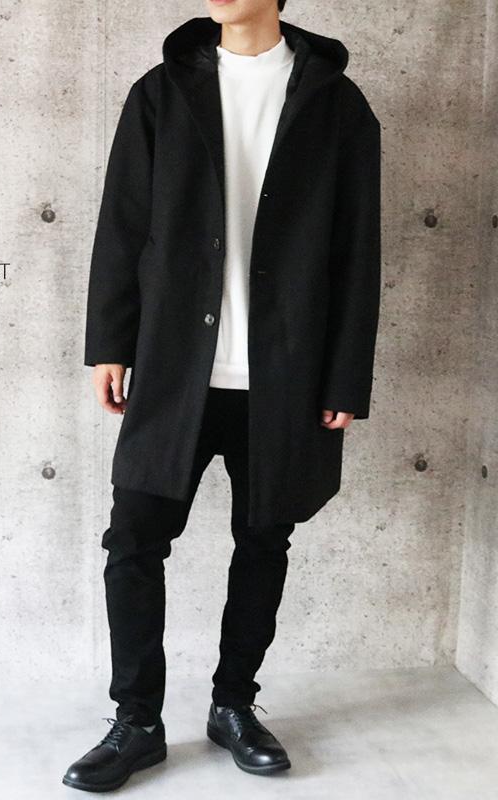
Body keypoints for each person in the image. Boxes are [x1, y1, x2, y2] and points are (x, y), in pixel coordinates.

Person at [64, 0, 381, 792]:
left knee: (265, 541)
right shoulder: (161, 92)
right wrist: (110, 342)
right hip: (176, 366)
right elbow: (123, 222)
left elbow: (357, 248)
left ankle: (233, 706)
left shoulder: (336, 104)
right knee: (133, 540)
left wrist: (346, 376)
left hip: (286, 373)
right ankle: (137, 721)